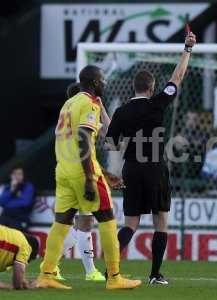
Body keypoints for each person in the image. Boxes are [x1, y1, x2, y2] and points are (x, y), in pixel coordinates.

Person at [36, 66, 141, 290]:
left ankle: (46, 273)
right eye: (102, 79)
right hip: (82, 172)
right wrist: (91, 178)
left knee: (62, 222)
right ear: (94, 82)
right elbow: (84, 139)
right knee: (107, 219)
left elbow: (78, 143)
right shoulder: (88, 103)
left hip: (63, 170)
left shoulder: (68, 104)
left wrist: (103, 172)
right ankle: (114, 277)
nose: (104, 82)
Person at [106, 31, 196, 285]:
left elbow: (110, 143)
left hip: (131, 169)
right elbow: (178, 77)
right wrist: (187, 49)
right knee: (161, 222)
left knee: (130, 223)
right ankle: (155, 274)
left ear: (133, 87)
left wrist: (119, 130)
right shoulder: (158, 103)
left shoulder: (122, 112)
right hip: (155, 168)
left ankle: (112, 270)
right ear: (152, 87)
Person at [0, 225, 39, 289]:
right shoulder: (26, 246)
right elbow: (19, 269)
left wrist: (23, 280)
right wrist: (15, 286)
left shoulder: (16, 236)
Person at [0, 166, 35, 232]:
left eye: (19, 174)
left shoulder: (28, 186)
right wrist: (12, 189)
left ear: (23, 176)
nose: (17, 176)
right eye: (15, 174)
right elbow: (1, 202)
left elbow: (25, 202)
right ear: (11, 176)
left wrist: (8, 203)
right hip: (5, 217)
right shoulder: (8, 187)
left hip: (20, 219)